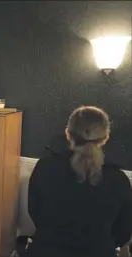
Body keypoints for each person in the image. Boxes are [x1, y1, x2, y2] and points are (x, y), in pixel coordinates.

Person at [26, 106, 132, 257]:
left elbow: (34, 211)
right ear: (105, 138)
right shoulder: (119, 180)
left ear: (68, 133)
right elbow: (123, 234)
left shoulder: (45, 167)